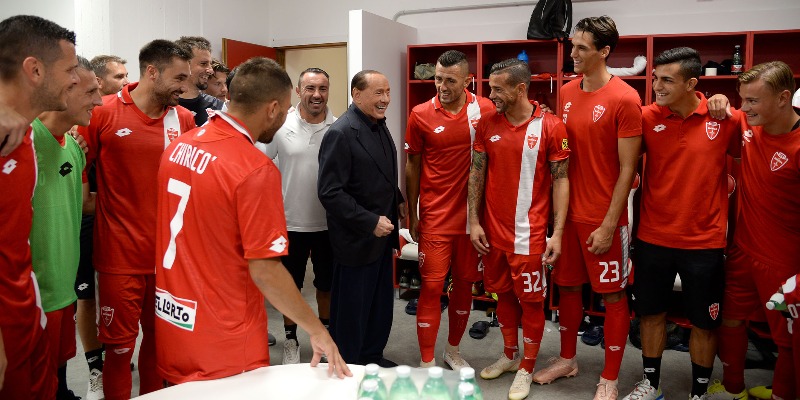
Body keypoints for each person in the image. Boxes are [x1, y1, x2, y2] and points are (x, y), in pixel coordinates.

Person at [154, 56, 351, 384]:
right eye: (285, 110)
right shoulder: (253, 169)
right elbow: (266, 271)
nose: (286, 117)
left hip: (172, 318)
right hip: (224, 332)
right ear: (273, 109)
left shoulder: (178, 146)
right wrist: (317, 329)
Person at [620, 47, 742, 400]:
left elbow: (757, 149)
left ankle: (698, 392)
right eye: (655, 78)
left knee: (705, 321)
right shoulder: (646, 117)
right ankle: (651, 384)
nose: (656, 86)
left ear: (691, 84)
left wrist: (724, 101)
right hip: (653, 237)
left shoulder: (725, 119)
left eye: (667, 80)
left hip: (704, 242)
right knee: (650, 314)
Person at [78, 39, 196, 400]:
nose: (185, 87)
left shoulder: (184, 119)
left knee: (160, 346)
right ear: (152, 72)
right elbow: (79, 175)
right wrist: (102, 205)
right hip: (119, 259)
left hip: (168, 261)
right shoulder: (103, 112)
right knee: (118, 349)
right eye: (179, 78)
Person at [532, 15, 642, 400]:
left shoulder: (625, 98)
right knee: (567, 288)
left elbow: (628, 169)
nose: (573, 54)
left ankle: (609, 377)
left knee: (613, 296)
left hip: (603, 217)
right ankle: (567, 359)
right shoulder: (565, 91)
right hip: (567, 215)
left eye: (582, 48)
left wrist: (610, 224)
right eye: (572, 46)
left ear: (605, 51)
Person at [468, 58, 570, 400]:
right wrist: (474, 221)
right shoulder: (487, 123)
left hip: (529, 235)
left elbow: (561, 181)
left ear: (520, 88)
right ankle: (510, 354)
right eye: (490, 88)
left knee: (531, 302)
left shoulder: (551, 126)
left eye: (498, 89)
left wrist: (557, 233)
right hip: (492, 233)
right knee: (502, 295)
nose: (491, 95)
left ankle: (527, 365)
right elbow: (477, 172)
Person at [704, 61, 800, 400]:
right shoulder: (748, 122)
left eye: (753, 100)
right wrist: (717, 99)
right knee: (730, 319)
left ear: (783, 98)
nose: (744, 107)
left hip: (784, 261)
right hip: (743, 249)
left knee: (788, 339)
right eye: (742, 99)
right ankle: (734, 390)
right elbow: (722, 110)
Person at [0, 14, 79, 400]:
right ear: (34, 70)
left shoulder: (27, 136)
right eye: (70, 70)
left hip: (28, 315)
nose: (76, 80)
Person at [404, 50, 495, 371]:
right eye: (438, 79)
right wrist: (412, 214)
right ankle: (426, 359)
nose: (442, 86)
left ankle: (452, 351)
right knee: (431, 287)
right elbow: (412, 166)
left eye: (450, 81)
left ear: (468, 80)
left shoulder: (485, 109)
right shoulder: (420, 114)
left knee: (464, 285)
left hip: (473, 221)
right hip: (436, 217)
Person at [317, 69, 407, 367]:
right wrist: (369, 221)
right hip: (356, 239)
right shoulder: (341, 133)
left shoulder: (378, 123)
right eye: (378, 93)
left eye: (388, 92)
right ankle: (349, 364)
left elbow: (376, 172)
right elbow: (330, 192)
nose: (386, 99)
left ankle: (371, 356)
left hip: (382, 237)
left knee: (379, 305)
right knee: (352, 310)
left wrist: (398, 198)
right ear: (356, 94)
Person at [31, 55, 103, 400]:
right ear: (65, 89)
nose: (99, 101)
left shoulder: (74, 146)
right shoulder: (23, 141)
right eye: (90, 92)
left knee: (57, 379)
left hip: (63, 291)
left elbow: (85, 203)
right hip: (32, 298)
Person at [260, 67, 336, 364]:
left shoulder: (337, 127)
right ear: (298, 91)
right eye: (310, 88)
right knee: (290, 286)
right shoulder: (280, 126)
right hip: (289, 223)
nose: (317, 95)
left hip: (328, 224)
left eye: (322, 88)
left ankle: (325, 337)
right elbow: (257, 163)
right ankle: (291, 340)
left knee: (326, 286)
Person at [176, 36, 223, 126]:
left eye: (210, 64)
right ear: (184, 64)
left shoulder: (218, 108)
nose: (210, 70)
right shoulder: (163, 106)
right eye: (203, 64)